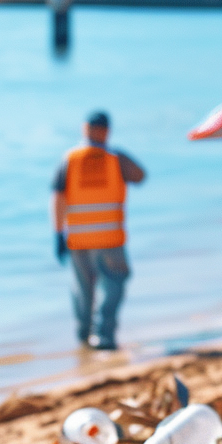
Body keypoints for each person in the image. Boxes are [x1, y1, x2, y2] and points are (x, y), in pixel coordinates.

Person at [51, 111, 145, 351]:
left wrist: (58, 232)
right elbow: (140, 176)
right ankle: (104, 335)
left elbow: (58, 198)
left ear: (85, 128)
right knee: (113, 284)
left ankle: (84, 335)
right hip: (110, 237)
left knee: (83, 288)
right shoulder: (116, 158)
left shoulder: (70, 159)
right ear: (106, 130)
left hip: (79, 238)